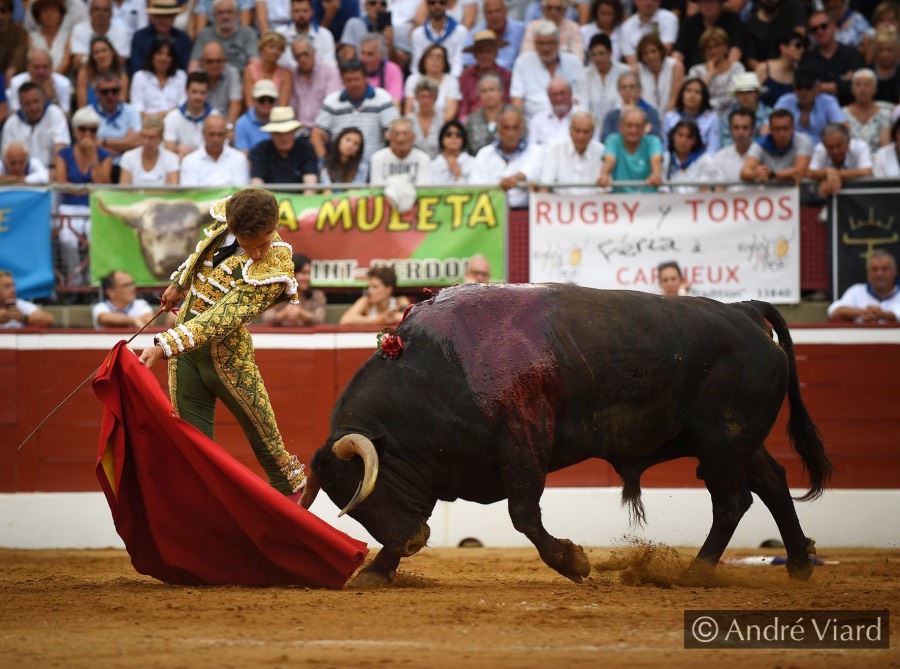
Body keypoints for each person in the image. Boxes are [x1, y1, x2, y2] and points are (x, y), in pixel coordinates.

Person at [139, 188, 308, 500]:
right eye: (249, 246)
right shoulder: (223, 225)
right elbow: (200, 252)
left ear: (274, 227)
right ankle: (210, 527)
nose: (258, 253)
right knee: (193, 449)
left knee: (272, 451)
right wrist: (179, 283)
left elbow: (223, 317)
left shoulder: (277, 264)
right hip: (186, 355)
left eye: (263, 243)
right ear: (233, 229)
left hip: (229, 360)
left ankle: (294, 521)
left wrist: (165, 344)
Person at [311, 58, 399, 164]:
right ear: (342, 81)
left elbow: (394, 130)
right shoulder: (332, 101)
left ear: (365, 78)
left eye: (356, 79)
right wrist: (325, 162)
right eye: (349, 80)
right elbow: (316, 134)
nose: (353, 84)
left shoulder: (382, 98)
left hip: (375, 164)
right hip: (341, 166)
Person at [470, 106, 543, 209]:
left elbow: (534, 171)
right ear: (499, 129)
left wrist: (516, 178)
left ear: (522, 129)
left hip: (525, 211)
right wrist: (500, 187)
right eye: (506, 128)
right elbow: (476, 186)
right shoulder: (484, 154)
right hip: (491, 210)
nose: (510, 133)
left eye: (515, 127)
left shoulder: (536, 151)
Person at [510, 21, 582, 122]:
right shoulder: (523, 62)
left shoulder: (574, 62)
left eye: (550, 43)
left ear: (558, 43)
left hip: (570, 121)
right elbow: (516, 98)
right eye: (541, 43)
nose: (546, 48)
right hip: (533, 123)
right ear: (534, 44)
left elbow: (581, 96)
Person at [0, 83, 70, 178]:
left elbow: (61, 147)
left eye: (36, 101)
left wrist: (54, 170)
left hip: (50, 175)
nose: (33, 107)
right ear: (20, 104)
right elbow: (7, 157)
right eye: (28, 103)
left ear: (44, 99)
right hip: (20, 178)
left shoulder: (55, 113)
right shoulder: (11, 124)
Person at [800, 10, 865, 106]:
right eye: (814, 29)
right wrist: (842, 84)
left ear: (834, 26)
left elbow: (859, 85)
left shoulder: (852, 54)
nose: (820, 31)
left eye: (824, 26)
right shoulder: (807, 59)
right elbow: (806, 89)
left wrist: (821, 87)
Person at [598, 106, 664, 192]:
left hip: (648, 201)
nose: (633, 130)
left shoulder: (653, 141)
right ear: (620, 127)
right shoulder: (613, 140)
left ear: (645, 127)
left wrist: (656, 174)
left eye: (638, 126)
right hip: (620, 200)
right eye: (629, 126)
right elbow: (609, 159)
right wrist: (604, 174)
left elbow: (656, 159)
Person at [774, 69, 847, 146]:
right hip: (791, 149)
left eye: (808, 87)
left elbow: (843, 128)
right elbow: (767, 127)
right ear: (793, 88)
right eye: (799, 87)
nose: (803, 91)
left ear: (817, 88)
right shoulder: (785, 101)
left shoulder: (828, 101)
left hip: (823, 149)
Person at [686, 28, 745, 122]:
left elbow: (737, 98)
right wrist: (709, 74)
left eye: (717, 46)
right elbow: (693, 97)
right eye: (709, 47)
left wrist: (711, 104)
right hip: (703, 119)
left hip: (732, 118)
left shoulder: (737, 69)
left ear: (726, 48)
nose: (713, 50)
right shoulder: (696, 71)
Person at [540, 110, 605, 194]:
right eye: (577, 131)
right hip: (560, 204)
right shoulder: (554, 149)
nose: (581, 136)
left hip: (593, 205)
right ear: (569, 130)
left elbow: (604, 192)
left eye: (586, 132)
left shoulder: (602, 151)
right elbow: (545, 186)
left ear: (593, 133)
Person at [250, 106, 319, 185]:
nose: (284, 137)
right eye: (278, 133)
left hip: (301, 196)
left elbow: (310, 183)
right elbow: (257, 182)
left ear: (294, 131)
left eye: (288, 132)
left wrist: (307, 197)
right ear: (271, 133)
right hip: (269, 196)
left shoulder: (306, 148)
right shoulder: (260, 150)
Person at [740, 108, 813, 184]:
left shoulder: (802, 141)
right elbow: (744, 172)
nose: (782, 133)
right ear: (770, 129)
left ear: (793, 128)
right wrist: (757, 174)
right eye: (777, 129)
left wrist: (772, 175)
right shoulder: (760, 144)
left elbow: (801, 171)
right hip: (770, 192)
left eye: (785, 128)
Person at [827, 250, 900, 323]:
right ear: (868, 273)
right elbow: (835, 311)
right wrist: (862, 312)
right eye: (874, 270)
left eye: (884, 269)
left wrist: (883, 315)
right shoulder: (856, 291)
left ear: (895, 271)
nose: (879, 274)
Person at [578, 33, 630, 131]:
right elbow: (582, 104)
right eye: (594, 55)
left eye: (602, 53)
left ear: (610, 52)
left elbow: (626, 103)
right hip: (591, 129)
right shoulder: (584, 74)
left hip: (620, 127)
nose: (598, 58)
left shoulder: (625, 72)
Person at [288, 35, 342, 129]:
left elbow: (332, 106)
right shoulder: (291, 75)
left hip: (324, 129)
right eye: (298, 56)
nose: (302, 59)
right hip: (298, 131)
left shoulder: (330, 72)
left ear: (314, 52)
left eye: (305, 54)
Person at [180, 114, 249, 186]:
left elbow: (240, 192)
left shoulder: (239, 158)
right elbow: (189, 193)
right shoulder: (189, 161)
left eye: (220, 134)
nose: (216, 139)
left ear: (226, 134)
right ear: (203, 133)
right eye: (212, 134)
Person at [458, 29, 511, 123]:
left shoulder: (506, 75)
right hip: (472, 125)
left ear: (496, 53)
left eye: (488, 51)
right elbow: (463, 108)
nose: (485, 55)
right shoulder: (465, 77)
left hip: (502, 123)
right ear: (474, 55)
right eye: (480, 52)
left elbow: (508, 104)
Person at [673, 0, 744, 70]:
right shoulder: (689, 23)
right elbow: (678, 52)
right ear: (699, 4)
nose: (708, 6)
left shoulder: (733, 20)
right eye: (704, 2)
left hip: (725, 71)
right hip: (694, 73)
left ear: (720, 4)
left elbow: (736, 50)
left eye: (712, 2)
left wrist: (728, 71)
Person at [189, 0, 258, 72]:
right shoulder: (204, 35)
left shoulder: (248, 33)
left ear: (237, 14)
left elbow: (255, 63)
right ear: (214, 15)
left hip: (241, 78)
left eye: (229, 12)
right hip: (211, 79)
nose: (225, 16)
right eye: (220, 13)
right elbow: (194, 64)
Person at [808, 123, 873, 196]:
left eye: (838, 146)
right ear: (824, 145)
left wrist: (833, 174)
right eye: (830, 147)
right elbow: (810, 172)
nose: (835, 151)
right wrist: (827, 172)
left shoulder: (860, 147)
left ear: (848, 141)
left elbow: (867, 172)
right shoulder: (820, 149)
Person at [260, 253, 326, 326]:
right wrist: (284, 314)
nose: (307, 278)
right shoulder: (277, 295)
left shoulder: (317, 295)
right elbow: (266, 318)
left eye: (309, 273)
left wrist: (302, 314)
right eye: (303, 273)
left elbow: (319, 319)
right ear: (292, 275)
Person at [129, 0, 192, 76]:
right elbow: (136, 67)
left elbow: (184, 67)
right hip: (145, 82)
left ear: (174, 17)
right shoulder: (140, 37)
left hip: (175, 82)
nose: (164, 21)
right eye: (160, 16)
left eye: (168, 16)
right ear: (153, 17)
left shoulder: (183, 39)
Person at [409, 0, 470, 78]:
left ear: (447, 5)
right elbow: (416, 65)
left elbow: (458, 62)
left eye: (441, 2)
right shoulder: (418, 34)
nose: (437, 6)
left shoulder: (460, 31)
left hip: (451, 79)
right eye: (432, 3)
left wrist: (446, 80)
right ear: (427, 5)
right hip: (425, 81)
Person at [129, 37, 187, 116]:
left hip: (175, 122)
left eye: (168, 55)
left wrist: (165, 116)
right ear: (152, 56)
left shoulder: (181, 76)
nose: (163, 58)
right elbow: (137, 108)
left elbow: (183, 105)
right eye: (159, 53)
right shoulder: (140, 77)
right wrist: (155, 119)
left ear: (173, 59)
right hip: (147, 123)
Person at [403, 44, 461, 122]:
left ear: (445, 62)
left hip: (442, 127)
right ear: (424, 61)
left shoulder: (451, 81)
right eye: (430, 56)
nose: (434, 60)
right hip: (414, 126)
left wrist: (433, 129)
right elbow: (408, 111)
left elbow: (450, 114)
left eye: (439, 57)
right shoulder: (412, 79)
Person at [663, 78, 721, 156]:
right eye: (688, 91)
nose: (692, 95)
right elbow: (665, 148)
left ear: (703, 97)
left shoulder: (712, 118)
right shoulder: (670, 117)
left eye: (697, 92)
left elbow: (713, 150)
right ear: (681, 94)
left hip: (703, 163)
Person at [743, 0, 808, 70]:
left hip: (795, 67)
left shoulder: (793, 8)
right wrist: (771, 73)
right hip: (766, 74)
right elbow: (750, 60)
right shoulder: (750, 25)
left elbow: (799, 39)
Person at [163, 72, 213, 161]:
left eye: (202, 93)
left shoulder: (215, 117)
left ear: (207, 93)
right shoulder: (172, 117)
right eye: (194, 92)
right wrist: (177, 148)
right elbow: (168, 147)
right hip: (180, 161)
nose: (198, 97)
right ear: (186, 91)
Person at [462, 0, 524, 71]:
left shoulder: (521, 30)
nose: (494, 16)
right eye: (489, 12)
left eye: (498, 11)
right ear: (484, 14)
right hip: (482, 77)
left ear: (506, 11)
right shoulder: (475, 34)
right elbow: (467, 63)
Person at [369, 117, 433, 186]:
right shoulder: (377, 158)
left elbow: (424, 189)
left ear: (413, 137)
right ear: (389, 136)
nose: (400, 139)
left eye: (405, 133)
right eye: (396, 133)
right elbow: (376, 189)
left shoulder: (424, 159)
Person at [600, 71, 661, 142]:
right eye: (623, 87)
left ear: (640, 89)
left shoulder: (651, 113)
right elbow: (605, 139)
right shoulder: (611, 115)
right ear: (619, 91)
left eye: (631, 87)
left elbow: (653, 137)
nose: (627, 90)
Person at [339, 265, 410, 326]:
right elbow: (345, 320)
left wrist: (393, 316)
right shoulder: (366, 301)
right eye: (369, 287)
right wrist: (376, 321)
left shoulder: (400, 301)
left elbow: (410, 319)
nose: (369, 291)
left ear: (389, 289)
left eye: (375, 287)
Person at [843, 68, 892, 156]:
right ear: (852, 90)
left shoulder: (885, 114)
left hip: (877, 162)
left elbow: (886, 148)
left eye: (867, 85)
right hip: (852, 162)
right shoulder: (842, 114)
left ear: (875, 89)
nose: (863, 89)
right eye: (858, 85)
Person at [275, 0, 337, 69]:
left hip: (318, 77)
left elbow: (330, 66)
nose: (301, 15)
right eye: (297, 11)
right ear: (291, 13)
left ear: (312, 12)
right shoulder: (279, 34)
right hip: (286, 77)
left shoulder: (325, 35)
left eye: (305, 11)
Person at [8, 48, 72, 114]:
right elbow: (15, 112)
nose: (41, 71)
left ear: (51, 67)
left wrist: (51, 99)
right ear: (28, 67)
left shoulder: (64, 83)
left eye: (45, 67)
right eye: (36, 67)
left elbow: (65, 116)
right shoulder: (16, 82)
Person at [70, 0, 131, 69]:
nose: (101, 13)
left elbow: (120, 60)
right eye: (97, 9)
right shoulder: (79, 29)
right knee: (82, 71)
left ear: (111, 14)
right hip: (88, 72)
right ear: (90, 12)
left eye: (105, 10)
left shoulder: (122, 31)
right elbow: (77, 60)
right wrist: (105, 60)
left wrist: (91, 60)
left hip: (113, 73)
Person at [120, 115, 180, 185]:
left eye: (152, 138)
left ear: (161, 139)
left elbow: (172, 189)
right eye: (143, 136)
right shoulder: (128, 157)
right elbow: (124, 189)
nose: (146, 142)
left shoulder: (171, 159)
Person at [662, 118, 718, 192]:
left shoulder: (705, 160)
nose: (683, 140)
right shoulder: (665, 159)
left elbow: (707, 191)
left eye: (689, 137)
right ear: (673, 137)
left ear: (695, 140)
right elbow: (663, 191)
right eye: (680, 135)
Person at [619, 0, 679, 68]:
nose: (649, 2)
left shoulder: (669, 18)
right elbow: (631, 60)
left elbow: (665, 50)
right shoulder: (626, 27)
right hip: (638, 70)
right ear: (635, 1)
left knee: (676, 61)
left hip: (663, 66)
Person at [75, 35, 130, 109]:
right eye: (96, 52)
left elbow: (121, 106)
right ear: (92, 57)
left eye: (104, 50)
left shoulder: (122, 77)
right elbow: (82, 107)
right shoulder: (84, 74)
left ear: (112, 53)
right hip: (90, 117)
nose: (101, 55)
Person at [756, 31, 808, 109]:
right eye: (798, 45)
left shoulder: (798, 72)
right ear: (783, 48)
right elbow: (752, 96)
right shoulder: (764, 68)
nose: (802, 49)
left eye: (803, 46)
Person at [243, 31, 292, 110]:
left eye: (279, 48)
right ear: (262, 48)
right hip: (255, 116)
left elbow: (283, 104)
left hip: (277, 116)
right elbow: (250, 102)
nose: (275, 51)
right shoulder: (250, 70)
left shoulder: (286, 73)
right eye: (271, 47)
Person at [720, 72, 772, 147]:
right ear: (736, 95)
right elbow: (727, 144)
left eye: (749, 92)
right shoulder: (728, 117)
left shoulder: (770, 114)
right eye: (741, 93)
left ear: (757, 93)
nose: (745, 96)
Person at [198, 41, 242, 127]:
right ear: (202, 62)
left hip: (225, 125)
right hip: (201, 126)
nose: (214, 65)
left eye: (218, 61)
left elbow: (236, 103)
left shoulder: (232, 73)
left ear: (225, 61)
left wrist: (229, 127)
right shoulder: (197, 76)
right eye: (210, 61)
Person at [529, 78, 579, 147]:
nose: (559, 98)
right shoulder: (538, 120)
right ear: (549, 98)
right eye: (554, 95)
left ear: (570, 94)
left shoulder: (583, 118)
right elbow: (532, 149)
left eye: (562, 93)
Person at [713, 107, 757, 185]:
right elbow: (718, 189)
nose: (740, 132)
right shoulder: (721, 156)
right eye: (736, 128)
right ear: (730, 130)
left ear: (752, 130)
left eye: (745, 128)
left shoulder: (762, 154)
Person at [465, 72, 505, 155]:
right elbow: (467, 149)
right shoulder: (472, 120)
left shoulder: (512, 115)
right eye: (484, 91)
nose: (488, 94)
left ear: (501, 92)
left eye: (491, 90)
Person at [234, 79, 277, 154]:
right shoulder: (242, 123)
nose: (266, 103)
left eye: (271, 100)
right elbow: (243, 155)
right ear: (254, 100)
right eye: (261, 100)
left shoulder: (281, 120)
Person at [359, 32, 403, 104]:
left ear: (381, 55)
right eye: (362, 53)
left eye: (370, 54)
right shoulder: (353, 71)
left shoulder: (392, 70)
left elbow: (395, 103)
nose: (364, 59)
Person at [28, 0, 71, 74]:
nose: (49, 14)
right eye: (45, 11)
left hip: (61, 78)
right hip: (37, 77)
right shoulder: (31, 37)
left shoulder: (67, 36)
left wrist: (51, 78)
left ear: (60, 15)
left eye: (53, 11)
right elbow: (31, 61)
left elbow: (66, 63)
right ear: (38, 16)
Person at [406, 77, 442, 159]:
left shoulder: (442, 120)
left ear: (435, 98)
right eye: (423, 96)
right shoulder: (408, 120)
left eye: (430, 97)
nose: (426, 101)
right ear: (416, 98)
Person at [579, 0, 624, 65]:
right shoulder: (584, 32)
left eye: (610, 14)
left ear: (616, 14)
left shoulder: (623, 32)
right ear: (596, 13)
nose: (606, 18)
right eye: (603, 13)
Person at [431, 119, 473, 184]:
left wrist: (458, 174)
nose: (453, 137)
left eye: (458, 135)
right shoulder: (433, 165)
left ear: (463, 140)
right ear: (441, 139)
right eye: (449, 134)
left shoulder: (472, 163)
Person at [0, 0, 28, 84]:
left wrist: (11, 70)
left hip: (14, 75)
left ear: (10, 13)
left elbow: (19, 56)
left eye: (3, 11)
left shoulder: (19, 31)